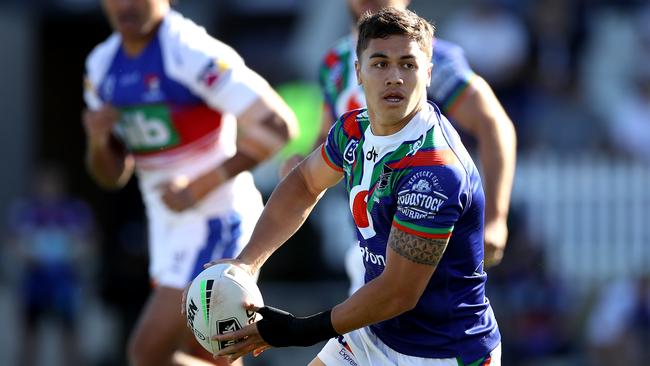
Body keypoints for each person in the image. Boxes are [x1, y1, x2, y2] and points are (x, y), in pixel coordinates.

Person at [208, 7, 501, 365]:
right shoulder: (352, 130)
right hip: (375, 332)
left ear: (428, 73)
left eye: (407, 64)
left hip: (442, 352)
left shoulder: (434, 172)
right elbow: (303, 182)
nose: (394, 77)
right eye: (380, 63)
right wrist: (247, 263)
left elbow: (397, 293)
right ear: (358, 72)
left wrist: (299, 331)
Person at [82, 1, 297, 365]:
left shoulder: (190, 50)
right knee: (216, 355)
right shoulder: (101, 65)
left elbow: (278, 126)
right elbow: (111, 175)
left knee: (148, 353)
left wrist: (198, 186)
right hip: (169, 226)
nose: (126, 5)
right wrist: (98, 141)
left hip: (217, 218)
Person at [284, 0, 516, 279]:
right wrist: (302, 171)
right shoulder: (335, 61)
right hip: (367, 243)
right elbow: (329, 140)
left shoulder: (432, 57)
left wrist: (495, 219)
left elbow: (494, 124)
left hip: (433, 236)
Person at [7, 163, 96, 366]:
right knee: (29, 339)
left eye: (52, 183)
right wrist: (29, 252)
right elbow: (12, 244)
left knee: (70, 338)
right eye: (44, 183)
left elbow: (90, 243)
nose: (48, 188)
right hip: (34, 284)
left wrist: (72, 250)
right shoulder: (25, 211)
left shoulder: (75, 211)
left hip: (65, 285)